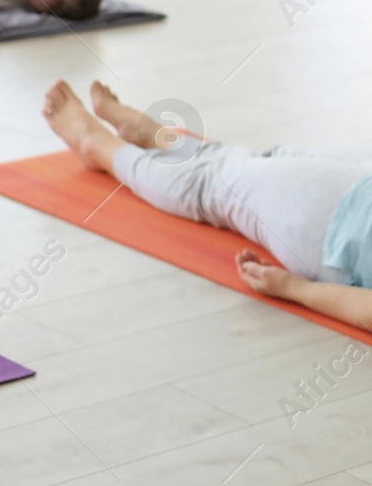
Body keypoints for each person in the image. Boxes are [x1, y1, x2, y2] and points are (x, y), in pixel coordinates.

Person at [42, 80, 372, 330]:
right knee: (267, 159)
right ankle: (154, 137)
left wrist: (294, 288)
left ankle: (99, 146)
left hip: (346, 226)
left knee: (216, 184)